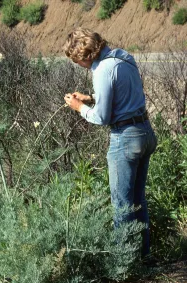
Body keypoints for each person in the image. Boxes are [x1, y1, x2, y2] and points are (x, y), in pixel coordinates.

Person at [63, 28, 157, 258]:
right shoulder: (122, 56)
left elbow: (102, 118)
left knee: (122, 205)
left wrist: (80, 108)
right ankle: (144, 258)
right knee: (137, 201)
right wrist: (92, 98)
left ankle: (123, 265)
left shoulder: (103, 69)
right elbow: (124, 95)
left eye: (77, 60)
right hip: (145, 131)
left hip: (125, 138)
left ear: (85, 55)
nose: (78, 65)